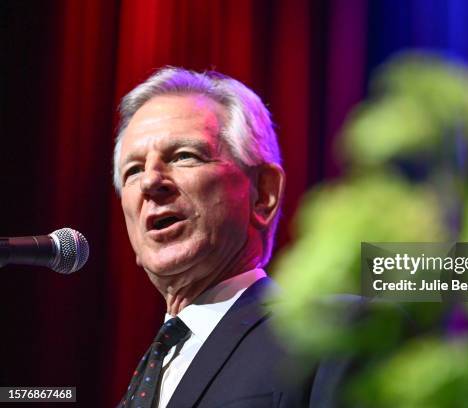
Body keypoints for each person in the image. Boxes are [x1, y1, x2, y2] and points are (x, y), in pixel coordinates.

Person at [113, 67, 316, 408]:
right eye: (133, 170)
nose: (150, 182)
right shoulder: (145, 376)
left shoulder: (317, 340)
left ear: (263, 194)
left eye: (183, 156)